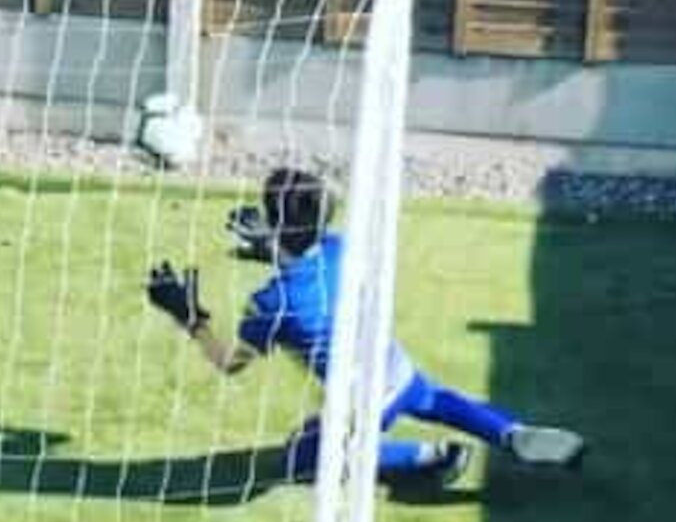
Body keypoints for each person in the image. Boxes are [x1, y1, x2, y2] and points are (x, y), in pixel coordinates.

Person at [146, 168, 586, 487]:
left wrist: (188, 315)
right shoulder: (343, 248)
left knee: (303, 455)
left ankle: (431, 457)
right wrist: (272, 243)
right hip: (395, 369)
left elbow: (230, 363)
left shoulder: (272, 304)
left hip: (361, 404)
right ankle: (509, 432)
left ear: (277, 224)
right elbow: (311, 260)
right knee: (436, 398)